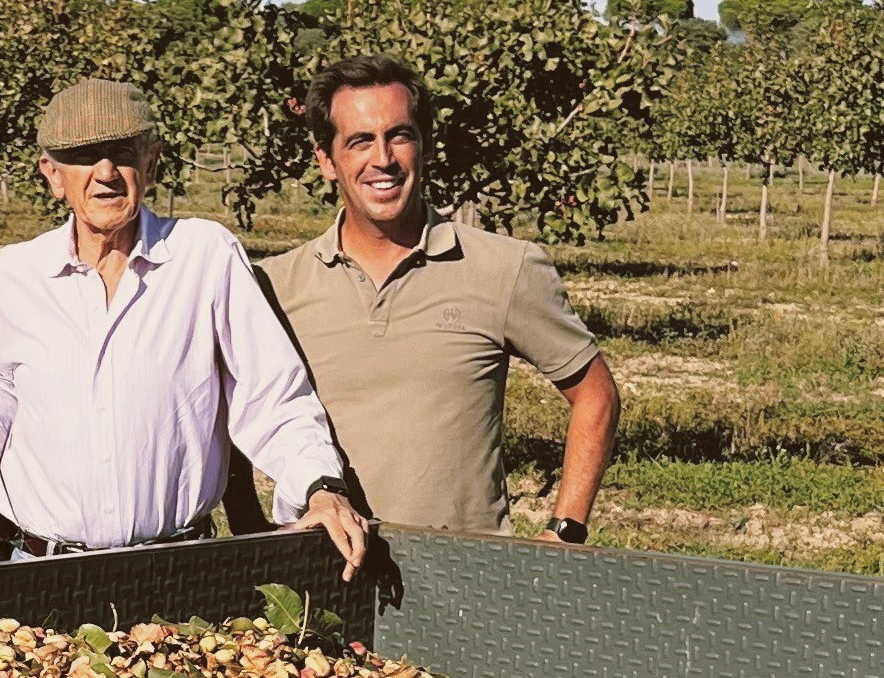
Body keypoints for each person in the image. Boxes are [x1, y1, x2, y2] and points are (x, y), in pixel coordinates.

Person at [0, 79, 368, 571]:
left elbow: (273, 393)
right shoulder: (19, 272)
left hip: (173, 571)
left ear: (151, 164)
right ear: (53, 175)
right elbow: (3, 385)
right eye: (84, 157)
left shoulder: (204, 257)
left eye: (122, 153)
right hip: (38, 567)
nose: (105, 173)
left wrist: (321, 487)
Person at [258, 57, 620, 545]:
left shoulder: (503, 269)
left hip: (465, 573)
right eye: (360, 141)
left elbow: (596, 393)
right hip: (323, 570)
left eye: (400, 136)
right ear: (326, 160)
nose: (383, 158)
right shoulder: (275, 286)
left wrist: (565, 530)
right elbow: (226, 419)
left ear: (424, 145)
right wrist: (250, 529)